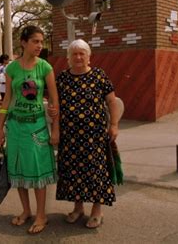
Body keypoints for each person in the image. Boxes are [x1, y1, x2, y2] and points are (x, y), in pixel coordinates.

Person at [0, 25, 60, 235]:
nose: (40, 45)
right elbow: (8, 98)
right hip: (15, 127)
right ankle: (26, 211)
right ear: (23, 42)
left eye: (41, 41)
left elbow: (54, 100)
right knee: (19, 172)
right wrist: (0, 125)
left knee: (37, 171)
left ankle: (41, 215)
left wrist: (55, 129)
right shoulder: (12, 69)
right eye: (35, 41)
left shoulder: (45, 68)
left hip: (37, 128)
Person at [55, 39, 120, 229]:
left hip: (95, 136)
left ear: (88, 57)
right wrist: (55, 126)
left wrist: (114, 125)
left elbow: (112, 102)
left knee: (95, 172)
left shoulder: (99, 76)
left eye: (82, 53)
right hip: (70, 137)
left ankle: (97, 210)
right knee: (73, 172)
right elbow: (55, 105)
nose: (78, 57)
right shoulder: (62, 78)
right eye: (74, 54)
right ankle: (78, 208)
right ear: (69, 57)